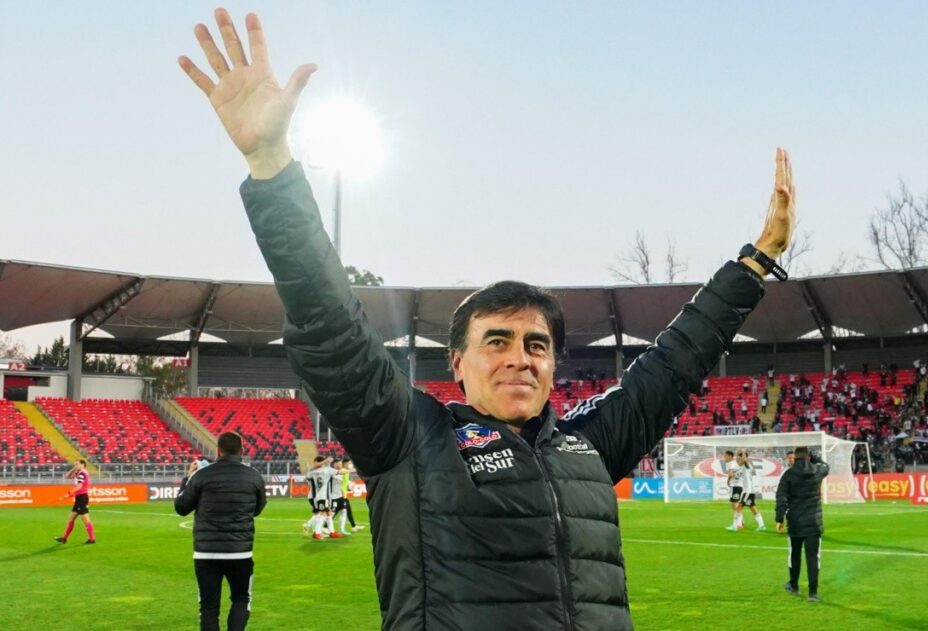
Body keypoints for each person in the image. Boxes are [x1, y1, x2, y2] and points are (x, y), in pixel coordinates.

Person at [178, 9, 795, 629]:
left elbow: (675, 362)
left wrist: (756, 261)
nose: (519, 356)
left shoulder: (589, 443)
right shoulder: (410, 438)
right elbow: (330, 329)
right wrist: (272, 166)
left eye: (536, 344)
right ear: (459, 362)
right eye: (496, 340)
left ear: (553, 364)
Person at [175, 431, 267, 631]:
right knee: (242, 599)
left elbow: (181, 508)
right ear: (241, 451)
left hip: (206, 553)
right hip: (240, 551)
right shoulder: (254, 476)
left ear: (218, 450)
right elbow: (258, 509)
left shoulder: (201, 475)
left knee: (208, 607)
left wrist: (186, 478)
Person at [775, 446, 829, 603]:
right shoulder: (817, 470)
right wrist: (815, 458)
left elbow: (781, 498)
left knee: (794, 555)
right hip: (813, 522)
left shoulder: (788, 474)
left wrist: (779, 519)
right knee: (813, 558)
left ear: (795, 457)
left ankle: (794, 585)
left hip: (795, 522)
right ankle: (813, 593)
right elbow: (826, 466)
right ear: (808, 457)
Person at [55, 459, 95, 544]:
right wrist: (74, 468)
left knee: (86, 520)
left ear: (83, 465)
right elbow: (66, 476)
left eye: (77, 464)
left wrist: (69, 494)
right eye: (75, 464)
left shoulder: (82, 474)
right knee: (71, 519)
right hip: (79, 498)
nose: (76, 466)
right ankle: (64, 538)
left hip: (82, 498)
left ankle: (92, 539)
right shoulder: (79, 472)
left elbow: (79, 486)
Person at [304, 455, 338, 539]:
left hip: (318, 495)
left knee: (328, 513)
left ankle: (331, 532)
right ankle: (315, 531)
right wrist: (325, 462)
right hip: (316, 496)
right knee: (321, 513)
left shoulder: (313, 471)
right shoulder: (315, 471)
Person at [735, 452, 767, 531]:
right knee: (753, 507)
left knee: (738, 507)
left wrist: (742, 451)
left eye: (740, 458)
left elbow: (744, 460)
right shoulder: (743, 467)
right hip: (750, 491)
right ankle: (762, 525)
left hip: (747, 491)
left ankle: (737, 525)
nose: (738, 459)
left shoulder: (747, 465)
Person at [723, 450, 743, 530]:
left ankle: (736, 525)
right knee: (737, 505)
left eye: (725, 456)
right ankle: (740, 522)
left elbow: (731, 474)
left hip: (735, 486)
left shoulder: (729, 464)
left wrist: (728, 481)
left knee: (735, 506)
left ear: (730, 456)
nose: (724, 457)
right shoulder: (735, 463)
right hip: (740, 485)